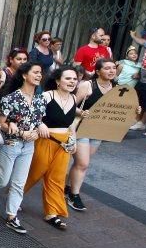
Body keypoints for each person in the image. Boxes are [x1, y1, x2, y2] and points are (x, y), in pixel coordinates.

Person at [0, 62, 45, 233]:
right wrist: (19, 131)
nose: (39, 75)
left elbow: (38, 122)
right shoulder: (11, 98)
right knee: (2, 180)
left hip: (29, 145)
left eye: (40, 73)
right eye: (35, 72)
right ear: (24, 75)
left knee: (19, 183)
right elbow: (1, 123)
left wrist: (38, 130)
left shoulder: (40, 99)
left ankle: (12, 216)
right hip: (11, 144)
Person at [24, 66, 79, 230]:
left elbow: (71, 124)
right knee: (34, 173)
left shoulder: (74, 99)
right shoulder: (47, 95)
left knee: (57, 178)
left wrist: (73, 139)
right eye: (68, 78)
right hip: (46, 140)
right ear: (57, 81)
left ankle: (52, 213)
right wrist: (40, 124)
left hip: (64, 143)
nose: (72, 82)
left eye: (75, 79)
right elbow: (33, 113)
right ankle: (15, 197)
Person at [66, 58, 118, 211]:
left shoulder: (117, 88)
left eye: (113, 68)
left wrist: (135, 111)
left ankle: (67, 188)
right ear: (97, 71)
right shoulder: (88, 85)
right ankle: (74, 195)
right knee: (83, 163)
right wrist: (81, 112)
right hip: (81, 128)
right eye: (107, 68)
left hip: (98, 130)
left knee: (80, 164)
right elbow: (69, 103)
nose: (111, 71)